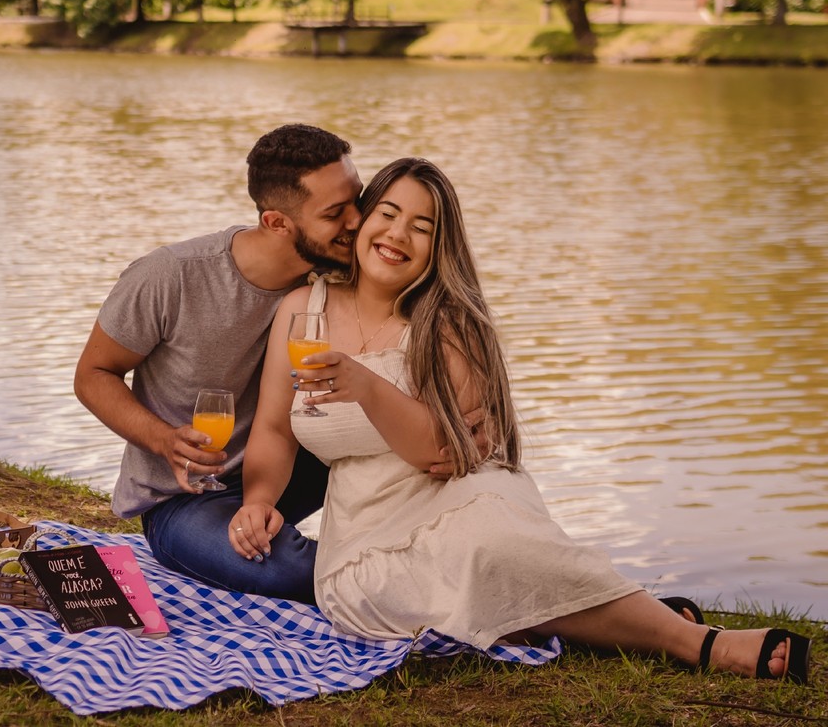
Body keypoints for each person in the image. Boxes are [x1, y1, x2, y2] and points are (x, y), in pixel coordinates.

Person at [230, 157, 811, 682]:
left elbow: (441, 452)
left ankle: (702, 645)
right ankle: (631, 618)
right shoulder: (303, 311)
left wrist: (364, 384)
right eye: (388, 213)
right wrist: (259, 498)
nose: (397, 235)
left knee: (489, 546)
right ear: (362, 221)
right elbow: (276, 429)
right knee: (428, 586)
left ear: (439, 247)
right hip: (363, 536)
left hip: (461, 493)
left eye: (422, 227)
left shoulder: (451, 324)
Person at [75, 124, 383, 603]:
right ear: (277, 223)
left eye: (356, 199)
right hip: (187, 498)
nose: (358, 220)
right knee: (285, 572)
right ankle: (400, 581)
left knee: (388, 451)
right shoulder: (170, 277)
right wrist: (165, 440)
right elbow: (93, 376)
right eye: (334, 213)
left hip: (294, 469)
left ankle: (426, 556)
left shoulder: (342, 275)